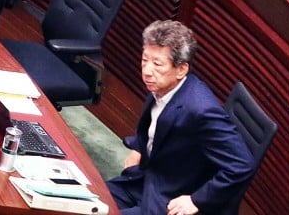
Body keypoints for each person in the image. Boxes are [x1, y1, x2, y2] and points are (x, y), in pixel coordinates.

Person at [108, 20, 255, 215]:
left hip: (169, 199)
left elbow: (242, 165)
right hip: (144, 180)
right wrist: (139, 147)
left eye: (157, 64)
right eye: (145, 60)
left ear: (181, 70)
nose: (147, 71)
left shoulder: (201, 110)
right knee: (88, 200)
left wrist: (196, 200)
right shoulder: (160, 85)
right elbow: (156, 128)